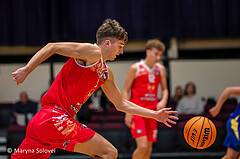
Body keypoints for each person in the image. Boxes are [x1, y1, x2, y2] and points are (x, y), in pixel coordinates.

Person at [11, 19, 178, 159]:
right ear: (107, 43)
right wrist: (26, 69)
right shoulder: (93, 52)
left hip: (41, 123)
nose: (121, 51)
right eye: (120, 46)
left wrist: (155, 115)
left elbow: (121, 104)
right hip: (54, 117)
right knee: (109, 152)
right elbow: (52, 46)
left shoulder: (105, 73)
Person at [123, 39, 169, 159]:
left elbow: (165, 90)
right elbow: (125, 90)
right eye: (156, 54)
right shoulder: (135, 68)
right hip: (137, 111)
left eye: (160, 55)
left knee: (148, 149)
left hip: (153, 112)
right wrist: (127, 112)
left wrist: (163, 101)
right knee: (142, 146)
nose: (158, 57)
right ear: (148, 52)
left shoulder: (161, 69)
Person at [209, 86, 240, 159]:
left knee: (230, 157)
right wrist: (217, 108)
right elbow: (228, 90)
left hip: (234, 125)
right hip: (236, 124)